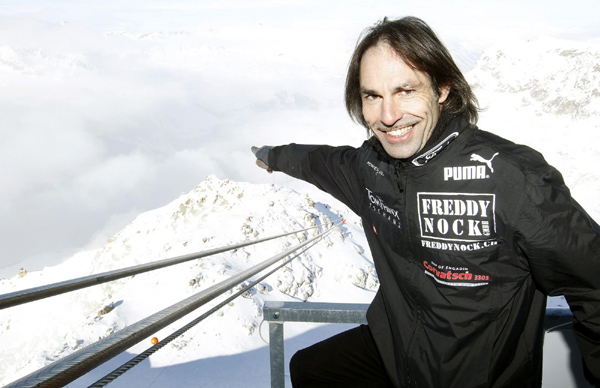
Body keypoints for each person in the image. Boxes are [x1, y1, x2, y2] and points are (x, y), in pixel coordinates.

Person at [251, 16, 600, 388]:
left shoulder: (512, 180)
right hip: (396, 349)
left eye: (405, 90)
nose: (388, 116)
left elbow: (592, 281)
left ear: (442, 88)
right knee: (311, 367)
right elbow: (317, 162)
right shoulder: (371, 168)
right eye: (373, 96)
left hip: (476, 375)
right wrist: (272, 156)